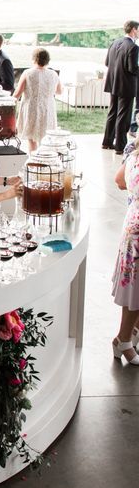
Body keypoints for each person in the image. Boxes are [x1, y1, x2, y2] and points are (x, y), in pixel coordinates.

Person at [112, 138, 139, 365]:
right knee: (135, 290)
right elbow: (120, 181)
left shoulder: (133, 153)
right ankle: (123, 340)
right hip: (137, 232)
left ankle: (131, 334)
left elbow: (120, 180)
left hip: (133, 221)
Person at [14, 48, 62, 153]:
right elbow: (59, 91)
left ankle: (33, 160)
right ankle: (45, 159)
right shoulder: (53, 74)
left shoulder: (28, 73)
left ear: (34, 59)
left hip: (31, 107)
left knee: (31, 137)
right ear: (48, 60)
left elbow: (17, 93)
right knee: (46, 136)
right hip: (47, 107)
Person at [102, 20, 139, 154]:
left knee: (112, 112)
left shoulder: (115, 43)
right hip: (126, 86)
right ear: (134, 30)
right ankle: (120, 147)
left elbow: (107, 63)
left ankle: (106, 142)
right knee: (123, 116)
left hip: (113, 83)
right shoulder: (133, 47)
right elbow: (132, 69)